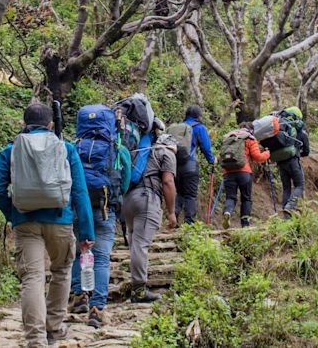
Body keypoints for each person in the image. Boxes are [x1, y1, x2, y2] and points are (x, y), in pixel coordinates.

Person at [0, 103, 95, 348]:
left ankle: (35, 340)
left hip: (26, 222)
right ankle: (54, 329)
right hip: (60, 220)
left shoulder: (11, 150)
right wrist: (86, 232)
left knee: (33, 278)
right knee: (61, 271)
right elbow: (80, 192)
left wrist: (14, 213)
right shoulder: (66, 148)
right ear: (50, 125)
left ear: (23, 124)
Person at [68, 106, 132, 329]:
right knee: (102, 257)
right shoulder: (117, 148)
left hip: (78, 208)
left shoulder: (74, 147)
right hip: (105, 209)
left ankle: (79, 297)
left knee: (79, 252)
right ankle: (97, 307)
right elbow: (125, 181)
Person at [122, 133, 178, 302]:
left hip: (128, 200)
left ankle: (136, 284)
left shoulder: (140, 152)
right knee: (140, 245)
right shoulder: (166, 153)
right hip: (147, 198)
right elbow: (167, 182)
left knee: (135, 243)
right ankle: (139, 290)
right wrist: (171, 212)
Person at [221, 122, 270, 229]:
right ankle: (245, 224)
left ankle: (227, 212)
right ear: (251, 130)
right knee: (246, 198)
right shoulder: (249, 138)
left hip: (228, 172)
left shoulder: (229, 137)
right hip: (244, 172)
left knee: (230, 197)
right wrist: (267, 154)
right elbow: (257, 157)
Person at [173, 105, 216, 224]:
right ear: (198, 116)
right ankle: (189, 224)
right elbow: (206, 147)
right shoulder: (199, 128)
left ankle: (173, 219)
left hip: (175, 165)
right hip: (190, 165)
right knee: (190, 195)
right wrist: (212, 161)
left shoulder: (178, 128)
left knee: (180, 193)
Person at [277, 108, 310, 218]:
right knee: (299, 185)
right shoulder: (301, 132)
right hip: (293, 161)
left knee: (286, 188)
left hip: (281, 162)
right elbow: (306, 151)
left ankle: (286, 216)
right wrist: (297, 152)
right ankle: (290, 206)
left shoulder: (283, 130)